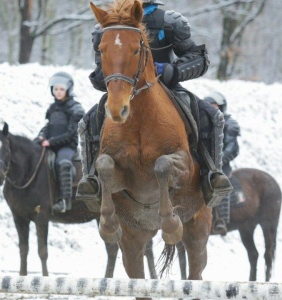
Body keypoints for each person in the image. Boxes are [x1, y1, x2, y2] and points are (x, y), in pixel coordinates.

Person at [75, 0, 233, 208]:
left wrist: (171, 70)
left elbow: (199, 58)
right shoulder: (106, 28)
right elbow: (99, 72)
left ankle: (211, 174)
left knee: (211, 116)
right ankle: (92, 178)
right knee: (87, 122)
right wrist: (106, 76)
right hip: (123, 90)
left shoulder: (170, 22)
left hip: (167, 86)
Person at [36, 72, 85, 213]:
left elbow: (71, 134)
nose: (58, 92)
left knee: (62, 163)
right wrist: (41, 136)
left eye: (61, 89)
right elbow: (48, 126)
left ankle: (65, 201)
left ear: (68, 90)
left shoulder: (76, 108)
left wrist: (50, 142)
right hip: (50, 144)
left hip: (67, 147)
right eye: (56, 89)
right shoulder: (52, 108)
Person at [204, 92, 241, 234]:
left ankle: (220, 220)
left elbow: (232, 149)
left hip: (221, 166)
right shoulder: (202, 124)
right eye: (209, 106)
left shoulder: (230, 125)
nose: (212, 109)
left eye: (215, 106)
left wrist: (217, 162)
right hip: (204, 163)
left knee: (221, 184)